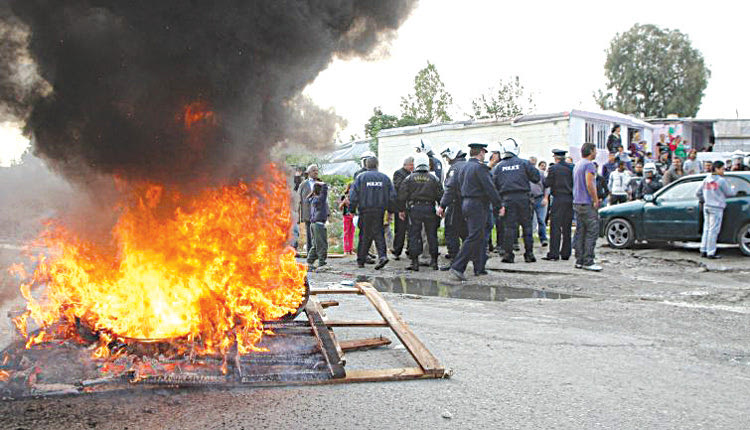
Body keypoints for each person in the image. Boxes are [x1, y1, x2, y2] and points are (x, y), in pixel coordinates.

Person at [442, 142, 503, 281]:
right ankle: (458, 266)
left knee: (479, 236)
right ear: (481, 152)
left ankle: (479, 267)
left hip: (466, 203)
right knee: (475, 236)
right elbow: (490, 188)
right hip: (478, 204)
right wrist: (499, 205)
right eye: (484, 153)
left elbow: (453, 187)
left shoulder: (464, 167)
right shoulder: (479, 168)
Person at [493, 138, 540, 263]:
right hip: (523, 198)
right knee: (527, 227)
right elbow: (536, 178)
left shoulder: (499, 167)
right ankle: (529, 254)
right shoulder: (524, 163)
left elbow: (493, 185)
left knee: (509, 227)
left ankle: (508, 255)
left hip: (507, 199)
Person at [349, 156, 396, 270]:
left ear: (366, 165)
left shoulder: (361, 178)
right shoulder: (385, 178)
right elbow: (392, 196)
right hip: (379, 211)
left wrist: (352, 210)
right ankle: (383, 256)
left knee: (364, 235)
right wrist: (390, 211)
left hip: (365, 211)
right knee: (379, 233)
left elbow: (353, 195)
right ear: (377, 165)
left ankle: (361, 260)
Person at [398, 154, 443, 271]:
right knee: (432, 235)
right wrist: (442, 208)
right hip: (430, 209)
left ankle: (415, 263)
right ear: (427, 164)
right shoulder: (434, 179)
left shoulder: (409, 179)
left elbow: (402, 196)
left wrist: (401, 210)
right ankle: (434, 262)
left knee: (414, 236)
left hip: (414, 209)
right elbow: (441, 195)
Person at [696, 161, 735, 259]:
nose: (723, 171)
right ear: (717, 169)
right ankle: (711, 252)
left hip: (707, 206)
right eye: (722, 169)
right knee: (714, 230)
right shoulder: (721, 181)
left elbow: (698, 192)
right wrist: (733, 188)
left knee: (707, 229)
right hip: (717, 207)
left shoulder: (706, 179)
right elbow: (730, 193)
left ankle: (703, 249)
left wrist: (704, 200)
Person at [573, 143, 602, 271]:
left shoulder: (578, 164)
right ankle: (588, 261)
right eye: (595, 150)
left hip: (577, 202)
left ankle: (579, 260)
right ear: (591, 151)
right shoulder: (589, 165)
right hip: (586, 203)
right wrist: (595, 200)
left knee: (580, 232)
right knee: (592, 232)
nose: (596, 153)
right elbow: (590, 183)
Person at [439, 143, 468, 264]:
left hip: (455, 204)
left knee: (451, 232)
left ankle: (454, 259)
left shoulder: (454, 168)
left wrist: (442, 205)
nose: (447, 159)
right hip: (468, 204)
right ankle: (468, 255)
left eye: (447, 157)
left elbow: (450, 189)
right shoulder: (468, 166)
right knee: (466, 232)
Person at [543, 149, 574, 261]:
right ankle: (566, 253)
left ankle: (554, 253)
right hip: (570, 198)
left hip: (558, 198)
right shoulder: (571, 168)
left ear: (555, 158)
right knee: (567, 227)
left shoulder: (553, 169)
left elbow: (547, 183)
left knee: (555, 226)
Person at [390, 156, 414, 260]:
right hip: (401, 206)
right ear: (407, 165)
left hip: (411, 206)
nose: (413, 167)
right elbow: (398, 188)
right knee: (400, 230)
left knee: (411, 229)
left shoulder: (412, 174)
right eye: (412, 165)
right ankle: (397, 251)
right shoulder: (398, 173)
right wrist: (400, 209)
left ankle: (410, 249)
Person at [306, 181, 329, 270]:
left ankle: (310, 261)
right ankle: (322, 262)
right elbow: (325, 188)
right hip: (319, 224)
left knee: (316, 244)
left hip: (314, 224)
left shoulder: (312, 199)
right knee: (322, 244)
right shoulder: (320, 199)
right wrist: (322, 183)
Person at [298, 164, 319, 252]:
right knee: (309, 235)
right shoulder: (303, 185)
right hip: (308, 213)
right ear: (309, 172)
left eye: (317, 170)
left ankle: (318, 253)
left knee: (318, 235)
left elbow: (325, 199)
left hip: (318, 213)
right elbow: (299, 200)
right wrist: (298, 215)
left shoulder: (320, 183)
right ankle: (310, 254)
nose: (316, 172)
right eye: (314, 170)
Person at [528, 156, 548, 247]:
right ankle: (529, 238)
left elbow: (547, 186)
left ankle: (543, 238)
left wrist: (545, 197)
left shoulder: (541, 173)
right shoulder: (525, 173)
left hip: (539, 198)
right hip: (529, 199)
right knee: (529, 220)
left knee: (541, 220)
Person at [338, 183, 355, 255]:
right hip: (346, 215)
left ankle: (351, 249)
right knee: (346, 232)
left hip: (353, 216)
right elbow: (340, 208)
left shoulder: (355, 195)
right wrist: (344, 202)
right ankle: (346, 250)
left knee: (352, 233)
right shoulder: (344, 196)